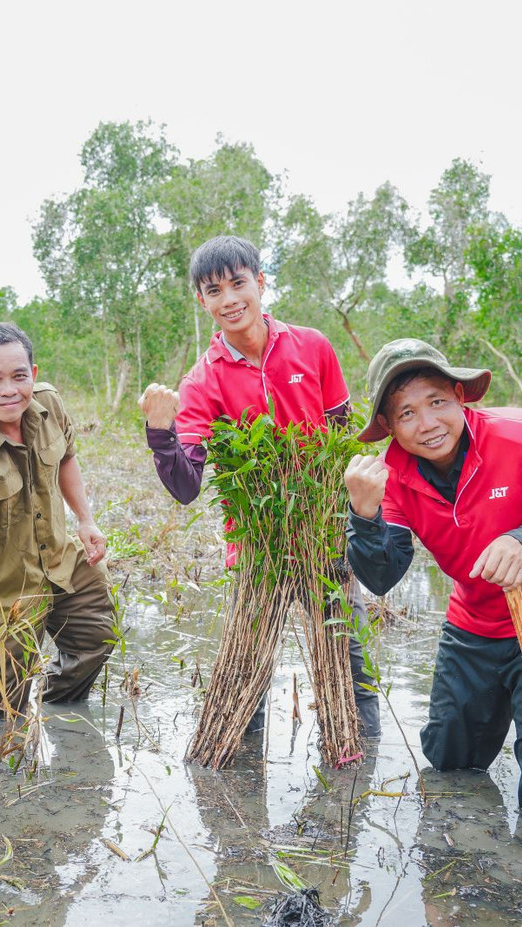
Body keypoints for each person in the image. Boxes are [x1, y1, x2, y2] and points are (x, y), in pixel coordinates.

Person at [343, 338, 522, 820]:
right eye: (407, 414)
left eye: (437, 403)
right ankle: (462, 868)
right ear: (388, 426)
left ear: (459, 394)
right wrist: (364, 514)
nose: (428, 424)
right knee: (450, 762)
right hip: (474, 624)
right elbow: (384, 574)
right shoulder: (389, 472)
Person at [137, 235, 379, 736]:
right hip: (257, 548)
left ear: (261, 282)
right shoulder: (201, 382)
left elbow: (341, 438)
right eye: (213, 290)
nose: (229, 299)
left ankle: (362, 763)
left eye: (238, 283)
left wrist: (352, 522)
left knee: (350, 666)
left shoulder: (312, 347)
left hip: (325, 539)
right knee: (245, 676)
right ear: (200, 301)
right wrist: (161, 434)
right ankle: (237, 794)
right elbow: (186, 487)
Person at [0, 321, 114, 718]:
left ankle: (57, 715)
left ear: (34, 372)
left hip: (61, 559)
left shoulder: (48, 404)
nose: (9, 390)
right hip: (3, 588)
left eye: (18, 376)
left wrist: (85, 519)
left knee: (97, 635)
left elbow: (66, 457)